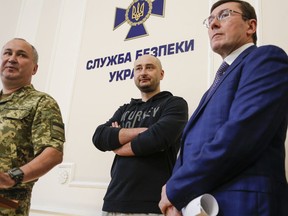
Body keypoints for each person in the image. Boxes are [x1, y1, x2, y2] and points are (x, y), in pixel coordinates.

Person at [159, 0, 288, 215]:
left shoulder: (266, 59)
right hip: (198, 205)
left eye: (224, 15)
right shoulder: (215, 84)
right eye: (210, 20)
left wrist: (175, 189)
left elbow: (241, 135)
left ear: (251, 26)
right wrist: (175, 201)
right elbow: (188, 148)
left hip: (244, 205)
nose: (213, 24)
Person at [92, 54, 188, 215]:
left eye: (149, 67)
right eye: (138, 68)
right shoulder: (125, 109)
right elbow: (99, 137)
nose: (143, 72)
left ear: (161, 74)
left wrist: (118, 140)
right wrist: (144, 130)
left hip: (152, 204)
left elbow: (158, 137)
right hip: (113, 201)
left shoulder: (175, 104)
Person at [0, 38, 65, 216]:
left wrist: (12, 177)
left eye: (21, 55)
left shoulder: (41, 103)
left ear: (34, 68)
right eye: (8, 53)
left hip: (6, 205)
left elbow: (53, 153)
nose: (12, 59)